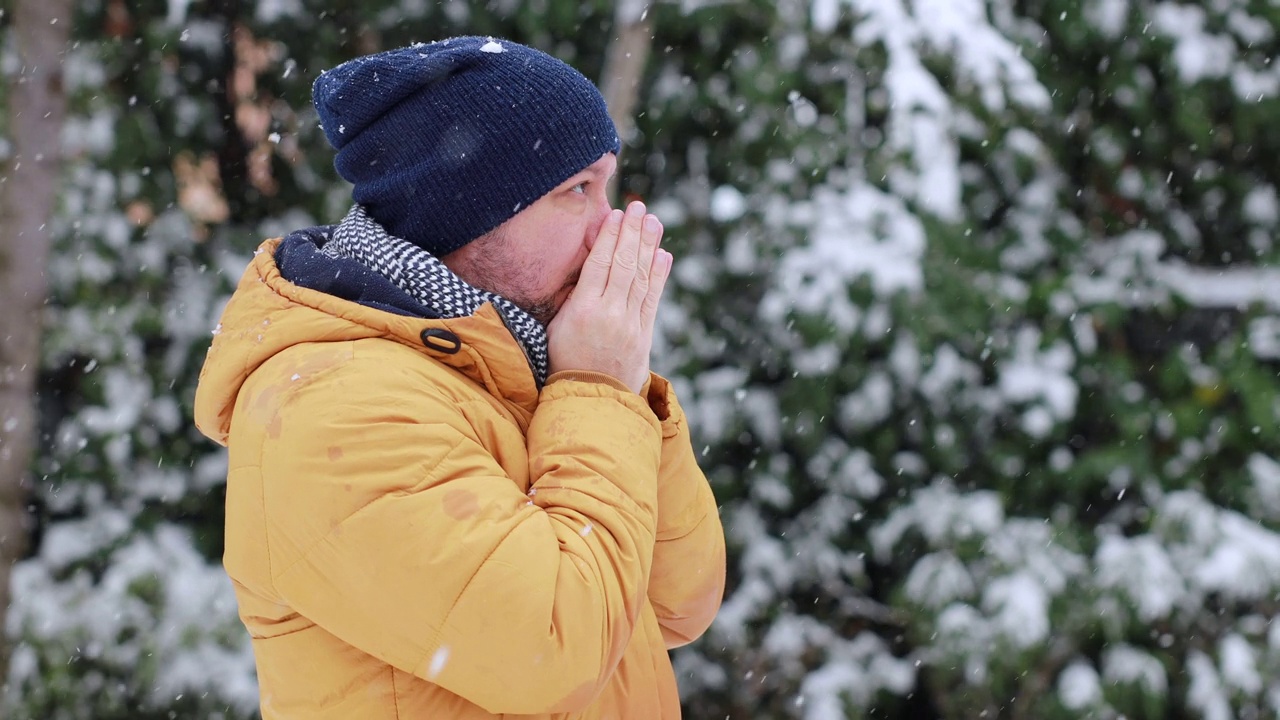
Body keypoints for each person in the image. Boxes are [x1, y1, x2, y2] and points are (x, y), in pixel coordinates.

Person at [192, 36, 726, 719]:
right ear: (470, 213)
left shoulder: (517, 361)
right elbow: (555, 649)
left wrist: (613, 386)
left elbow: (678, 603)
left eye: (608, 187)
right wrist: (597, 390)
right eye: (578, 190)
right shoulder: (331, 409)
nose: (607, 229)